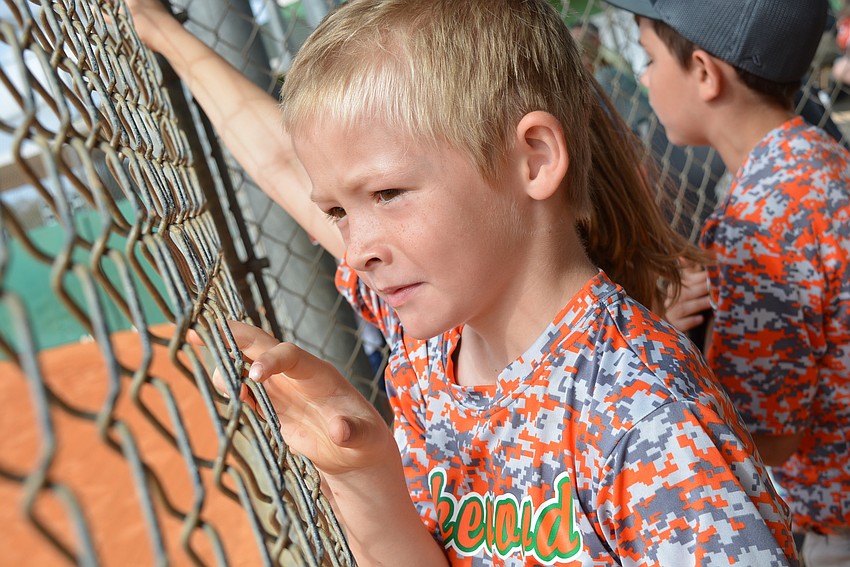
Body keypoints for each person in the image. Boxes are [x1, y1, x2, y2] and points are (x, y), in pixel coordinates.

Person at [126, 0, 797, 564]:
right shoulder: (427, 332)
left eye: (387, 193)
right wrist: (365, 474)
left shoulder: (640, 413)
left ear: (532, 160)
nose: (356, 249)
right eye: (336, 211)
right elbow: (277, 158)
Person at [604, 0, 850, 564]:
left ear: (705, 73)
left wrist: (661, 338)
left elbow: (764, 437)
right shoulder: (815, 159)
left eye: (649, 59)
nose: (643, 79)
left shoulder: (761, 220)